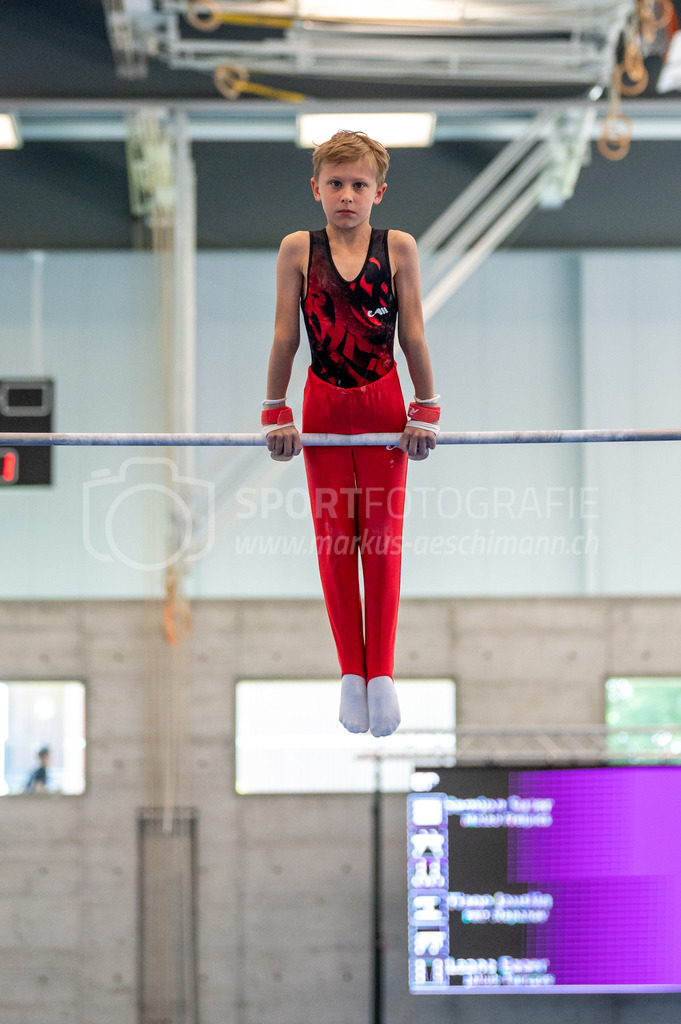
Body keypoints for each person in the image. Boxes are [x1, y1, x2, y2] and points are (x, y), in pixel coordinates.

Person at [262, 130, 439, 738]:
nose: (346, 195)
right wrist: (274, 410)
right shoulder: (296, 250)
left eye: (358, 185)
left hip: (386, 402)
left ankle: (382, 673)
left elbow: (413, 331)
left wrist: (426, 406)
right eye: (335, 184)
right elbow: (286, 336)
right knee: (336, 538)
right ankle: (351, 674)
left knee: (381, 541)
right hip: (324, 404)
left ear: (378, 193)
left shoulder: (398, 248)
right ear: (316, 189)